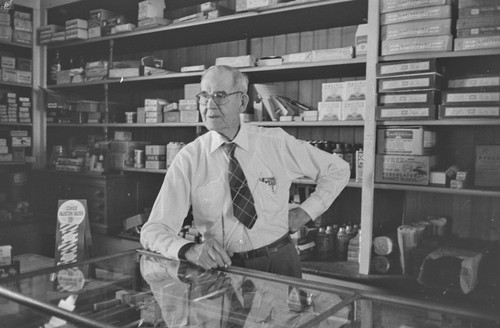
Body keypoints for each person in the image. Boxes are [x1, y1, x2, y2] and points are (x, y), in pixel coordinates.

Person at [140, 65, 350, 278]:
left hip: (278, 262)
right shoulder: (189, 158)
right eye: (204, 96)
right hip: (222, 269)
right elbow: (153, 230)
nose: (209, 105)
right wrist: (189, 250)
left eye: (220, 96)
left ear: (242, 102)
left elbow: (338, 169)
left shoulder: (275, 143)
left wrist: (304, 214)